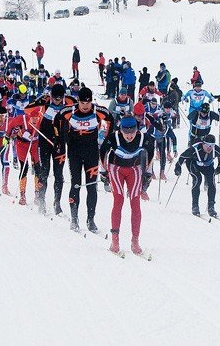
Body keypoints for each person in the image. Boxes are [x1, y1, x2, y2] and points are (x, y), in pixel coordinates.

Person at [54, 87, 114, 232]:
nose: (85, 106)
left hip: (92, 152)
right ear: (78, 102)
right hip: (74, 152)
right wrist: (61, 140)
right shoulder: (69, 111)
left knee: (91, 186)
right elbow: (57, 120)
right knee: (75, 184)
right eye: (82, 103)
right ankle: (74, 219)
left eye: (88, 103)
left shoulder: (98, 110)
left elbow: (111, 119)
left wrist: (107, 141)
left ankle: (90, 219)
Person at [100, 115, 155, 255]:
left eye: (132, 132)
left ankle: (135, 241)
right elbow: (102, 153)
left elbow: (150, 154)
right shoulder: (114, 137)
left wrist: (148, 174)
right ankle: (115, 240)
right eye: (126, 132)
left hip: (134, 169)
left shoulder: (144, 138)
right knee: (119, 200)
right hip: (116, 168)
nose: (129, 135)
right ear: (121, 130)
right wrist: (103, 172)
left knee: (135, 202)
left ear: (137, 130)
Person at [27, 83, 76, 214]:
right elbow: (27, 110)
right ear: (51, 96)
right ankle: (41, 201)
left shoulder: (70, 102)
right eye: (55, 98)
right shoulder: (44, 101)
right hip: (44, 142)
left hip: (60, 144)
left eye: (60, 99)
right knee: (44, 172)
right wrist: (33, 116)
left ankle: (57, 203)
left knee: (59, 174)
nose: (57, 101)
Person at [174, 134, 220, 217]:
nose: (210, 148)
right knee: (198, 179)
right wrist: (178, 168)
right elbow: (182, 156)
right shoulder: (195, 149)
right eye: (207, 145)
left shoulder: (216, 149)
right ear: (203, 143)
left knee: (211, 181)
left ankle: (211, 207)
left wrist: (219, 167)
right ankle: (195, 206)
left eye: (212, 145)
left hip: (207, 165)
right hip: (193, 164)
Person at [7, 107, 44, 207]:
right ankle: (22, 195)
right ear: (29, 117)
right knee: (24, 167)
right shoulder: (21, 119)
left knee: (37, 167)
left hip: (35, 144)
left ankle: (37, 194)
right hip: (22, 144)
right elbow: (11, 125)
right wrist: (8, 135)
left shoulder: (41, 120)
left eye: (37, 118)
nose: (35, 120)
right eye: (33, 118)